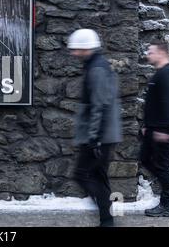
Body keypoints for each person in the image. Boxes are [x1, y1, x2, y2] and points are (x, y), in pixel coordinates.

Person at [68, 29, 122, 227]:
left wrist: (94, 139)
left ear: (85, 48)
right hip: (104, 134)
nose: (73, 53)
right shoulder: (96, 65)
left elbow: (99, 105)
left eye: (76, 49)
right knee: (99, 176)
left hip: (100, 135)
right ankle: (107, 221)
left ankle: (106, 214)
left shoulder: (97, 68)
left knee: (82, 174)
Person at [140, 40, 169, 217]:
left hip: (163, 130)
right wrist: (147, 126)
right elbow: (155, 104)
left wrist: (166, 130)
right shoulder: (161, 74)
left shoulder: (167, 74)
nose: (147, 55)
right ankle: (166, 201)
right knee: (145, 159)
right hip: (153, 129)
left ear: (161, 53)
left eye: (150, 52)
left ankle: (167, 205)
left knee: (161, 166)